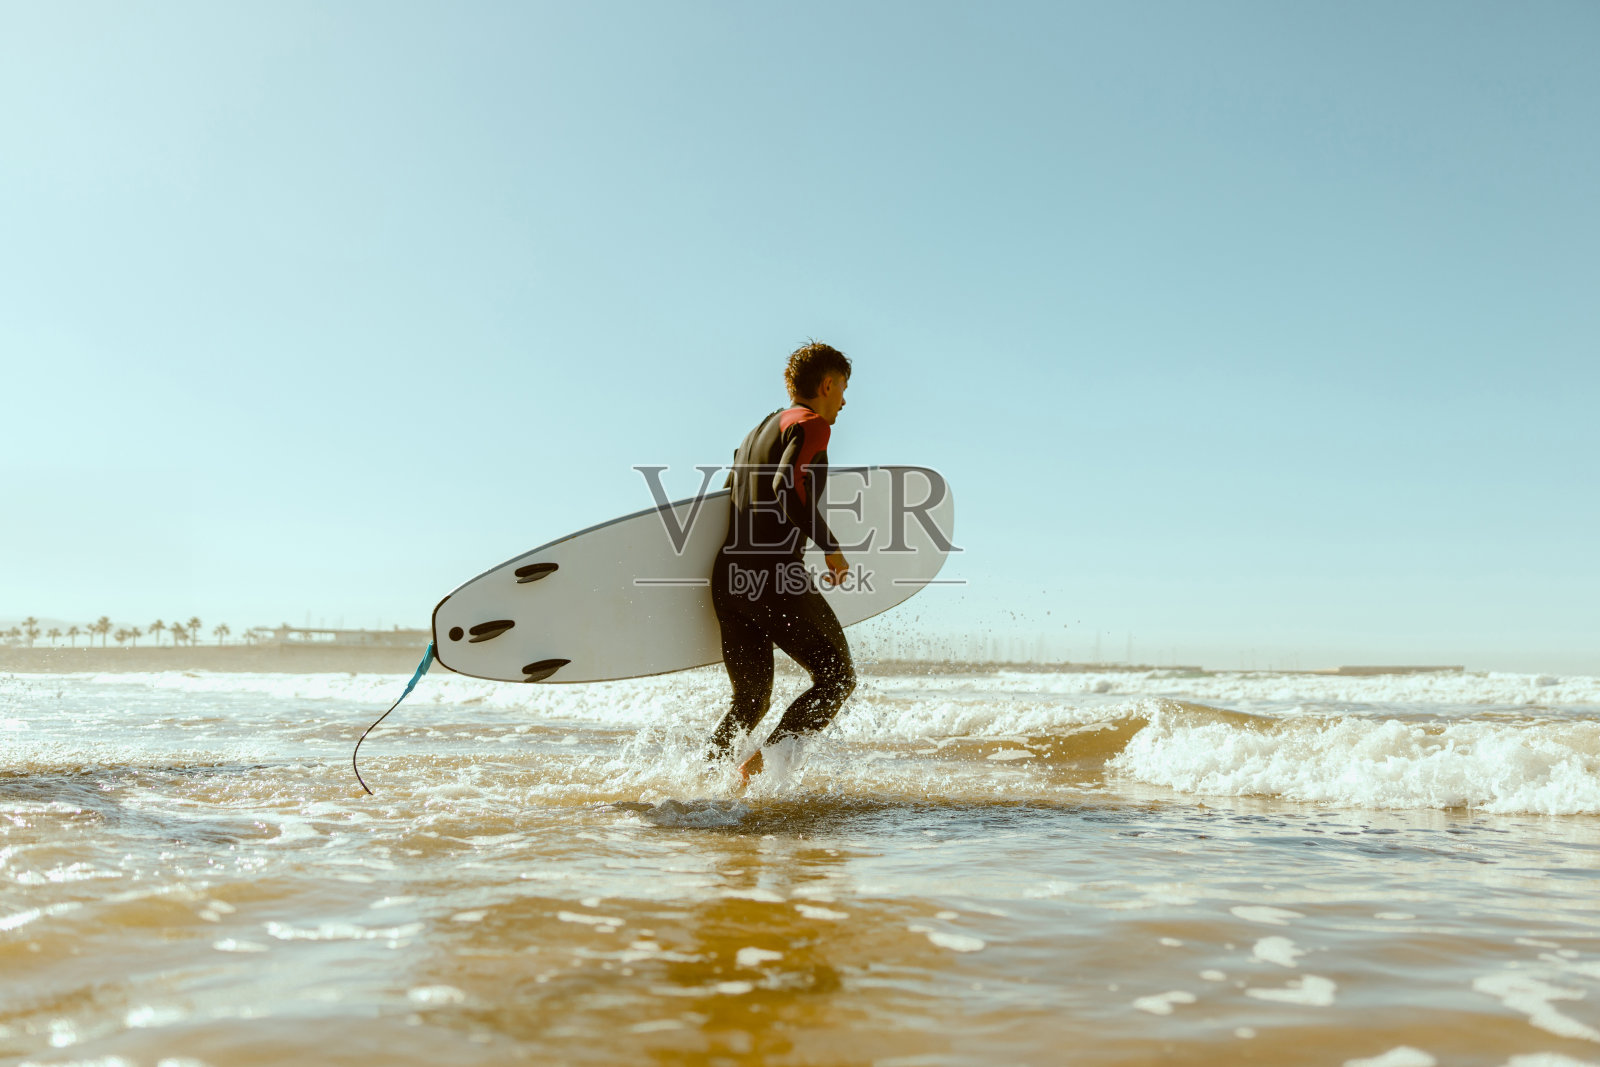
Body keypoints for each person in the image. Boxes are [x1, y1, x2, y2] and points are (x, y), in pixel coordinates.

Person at [708, 341, 857, 787]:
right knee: (837, 677)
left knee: (751, 699)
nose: (844, 401)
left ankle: (704, 784)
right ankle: (762, 765)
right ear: (826, 384)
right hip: (773, 576)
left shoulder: (755, 433)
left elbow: (731, 493)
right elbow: (785, 488)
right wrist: (830, 545)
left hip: (730, 578)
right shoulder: (811, 425)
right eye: (843, 389)